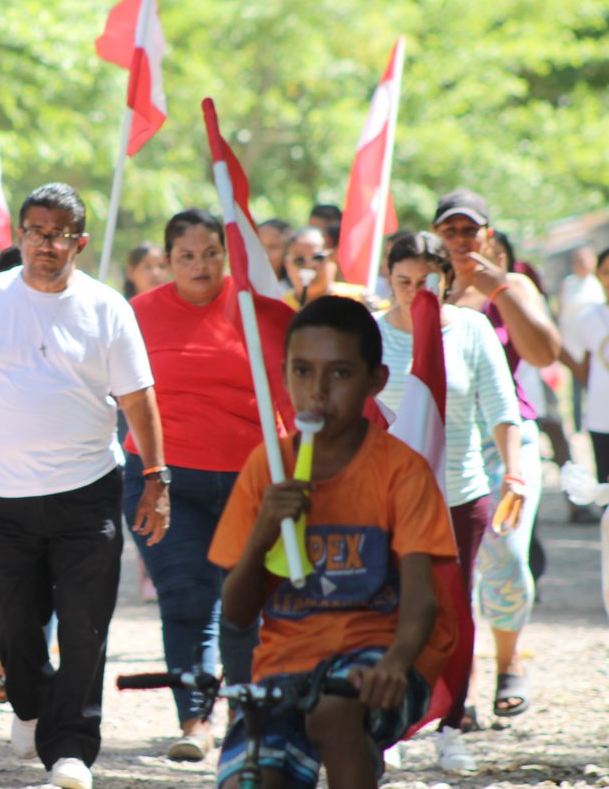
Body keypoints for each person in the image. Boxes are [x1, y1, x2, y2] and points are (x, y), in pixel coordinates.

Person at [0, 183, 169, 789]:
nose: (46, 244)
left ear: (79, 243)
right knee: (11, 621)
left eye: (59, 235)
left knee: (85, 625)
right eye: (35, 232)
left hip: (87, 492)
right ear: (20, 236)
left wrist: (156, 477)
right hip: (0, 496)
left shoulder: (108, 307)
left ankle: (71, 750)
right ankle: (32, 705)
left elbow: (138, 398)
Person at [210, 296, 458, 789]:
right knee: (253, 777)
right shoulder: (267, 467)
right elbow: (237, 612)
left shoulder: (401, 471)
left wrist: (397, 662)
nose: (318, 392)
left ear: (375, 381)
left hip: (384, 658)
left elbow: (423, 599)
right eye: (302, 371)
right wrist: (263, 534)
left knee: (335, 711)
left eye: (340, 374)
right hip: (285, 665)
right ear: (284, 375)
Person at [375, 232, 521, 766]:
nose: (415, 291)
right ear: (388, 278)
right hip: (388, 499)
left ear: (447, 279)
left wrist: (515, 474)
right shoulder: (371, 334)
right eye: (404, 281)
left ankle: (451, 728)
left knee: (454, 613)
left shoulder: (472, 329)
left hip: (460, 493)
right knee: (388, 610)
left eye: (427, 281)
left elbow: (502, 408)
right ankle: (388, 728)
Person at [122, 209, 263, 761]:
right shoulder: (138, 314)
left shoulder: (255, 309)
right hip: (164, 482)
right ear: (167, 260)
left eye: (210, 254)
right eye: (186, 256)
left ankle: (248, 718)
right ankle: (196, 720)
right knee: (186, 597)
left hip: (251, 483)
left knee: (246, 605)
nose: (200, 265)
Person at [433, 189, 560, 728]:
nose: (461, 240)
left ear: (487, 235)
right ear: (436, 236)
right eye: (451, 231)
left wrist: (499, 292)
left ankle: (509, 665)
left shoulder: (514, 285)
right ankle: (456, 682)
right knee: (451, 563)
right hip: (447, 437)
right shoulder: (425, 286)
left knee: (505, 552)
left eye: (471, 230)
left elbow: (545, 353)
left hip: (509, 435)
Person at [562, 247, 609, 481]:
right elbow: (583, 364)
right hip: (601, 414)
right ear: (598, 275)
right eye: (607, 272)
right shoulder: (588, 319)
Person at [558, 246, 605, 432]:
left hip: (599, 346)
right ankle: (578, 426)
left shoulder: (597, 284)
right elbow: (562, 312)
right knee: (576, 386)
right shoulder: (569, 285)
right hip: (574, 342)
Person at [281, 227, 368, 310]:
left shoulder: (359, 300)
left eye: (318, 258)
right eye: (299, 260)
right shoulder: (280, 306)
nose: (309, 266)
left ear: (332, 259)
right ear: (287, 266)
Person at [257, 218, 293, 293]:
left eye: (273, 247)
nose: (264, 253)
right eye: (259, 245)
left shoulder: (294, 294)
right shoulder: (239, 287)